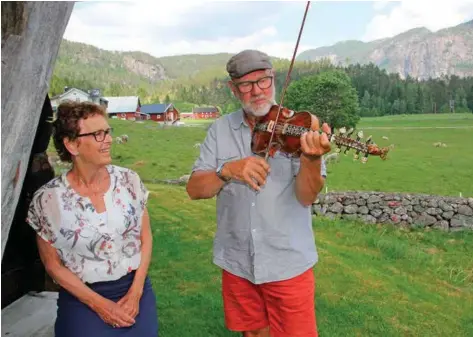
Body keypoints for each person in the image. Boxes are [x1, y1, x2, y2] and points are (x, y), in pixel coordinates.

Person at [186, 49, 331, 337]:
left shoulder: (298, 128)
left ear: (273, 79)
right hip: (237, 260)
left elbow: (306, 197)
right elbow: (194, 189)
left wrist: (311, 159)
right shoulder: (220, 130)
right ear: (233, 88)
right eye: (246, 85)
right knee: (252, 334)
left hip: (287, 263)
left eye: (263, 81)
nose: (257, 91)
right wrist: (226, 171)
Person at [25, 101, 158, 337]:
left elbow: (145, 239)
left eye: (107, 131)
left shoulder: (130, 181)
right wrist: (100, 305)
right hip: (81, 299)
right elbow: (53, 265)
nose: (108, 139)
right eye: (97, 134)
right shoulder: (47, 200)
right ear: (72, 144)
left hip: (135, 291)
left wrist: (136, 293)